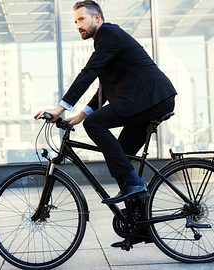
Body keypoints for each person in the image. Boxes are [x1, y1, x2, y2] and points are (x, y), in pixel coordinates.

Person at [34, 0, 177, 246]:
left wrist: (60, 108)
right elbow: (103, 86)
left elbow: (89, 73)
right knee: (119, 157)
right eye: (75, 21)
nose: (78, 25)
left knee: (96, 127)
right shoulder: (107, 41)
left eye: (82, 19)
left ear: (97, 18)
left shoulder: (108, 34)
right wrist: (80, 114)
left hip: (153, 99)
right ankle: (141, 227)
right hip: (147, 101)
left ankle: (133, 183)